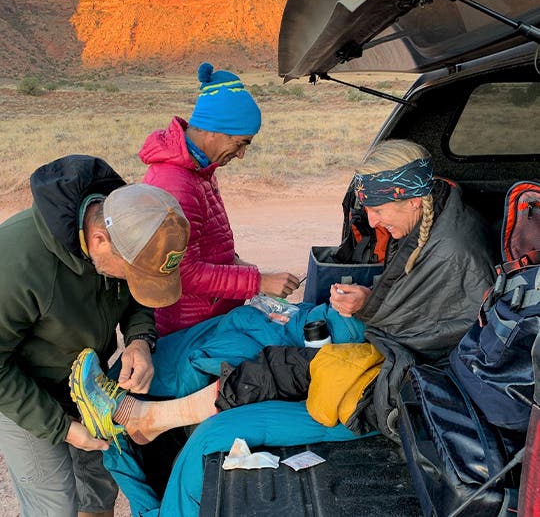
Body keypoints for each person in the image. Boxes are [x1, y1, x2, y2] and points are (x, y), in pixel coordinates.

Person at [71, 139, 497, 516]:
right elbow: (415, 310)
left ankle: (151, 418)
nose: (371, 221)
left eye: (378, 209)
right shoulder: (431, 220)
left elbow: (436, 341)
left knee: (228, 419)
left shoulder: (453, 253)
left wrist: (371, 316)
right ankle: (144, 415)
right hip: (379, 352)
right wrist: (370, 302)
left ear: (411, 199)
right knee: (256, 329)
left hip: (392, 389)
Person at [0, 154, 190, 517]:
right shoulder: (16, 263)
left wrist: (139, 340)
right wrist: (62, 428)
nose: (133, 283)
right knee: (53, 504)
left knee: (101, 480)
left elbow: (138, 297)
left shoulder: (129, 225)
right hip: (21, 390)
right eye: (131, 275)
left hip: (87, 382)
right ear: (99, 240)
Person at [139, 62, 300, 334]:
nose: (241, 155)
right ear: (213, 131)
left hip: (207, 315)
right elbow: (183, 273)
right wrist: (258, 281)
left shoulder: (199, 171)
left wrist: (236, 264)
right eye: (240, 143)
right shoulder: (176, 184)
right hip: (190, 326)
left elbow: (205, 243)